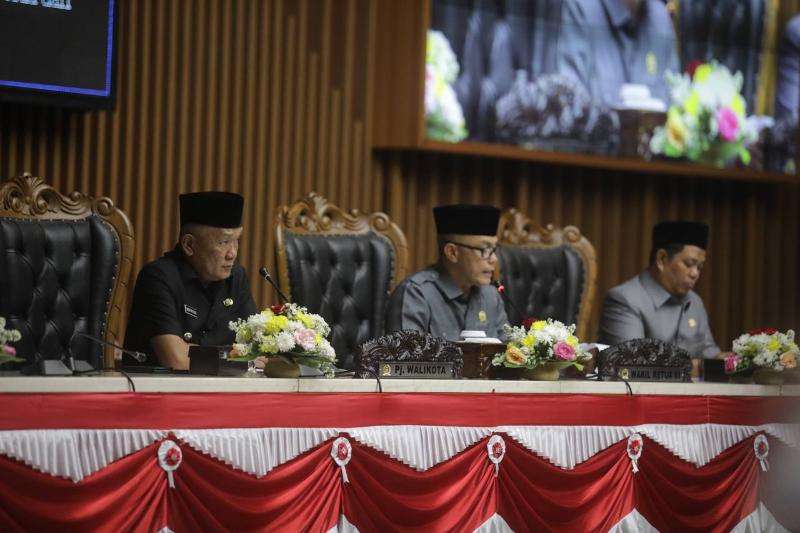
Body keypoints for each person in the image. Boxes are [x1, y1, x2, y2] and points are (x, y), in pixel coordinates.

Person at [124, 191, 257, 370]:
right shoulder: (157, 277)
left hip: (223, 390)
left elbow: (258, 349)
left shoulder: (236, 277)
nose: (232, 253)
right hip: (163, 392)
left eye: (236, 241)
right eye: (224, 242)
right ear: (189, 245)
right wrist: (237, 358)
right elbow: (176, 360)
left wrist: (199, 355)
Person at [598, 221, 720, 361]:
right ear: (662, 259)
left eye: (699, 267)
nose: (695, 274)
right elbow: (634, 364)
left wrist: (737, 360)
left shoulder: (694, 301)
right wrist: (701, 368)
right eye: (689, 264)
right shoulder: (623, 299)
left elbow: (709, 353)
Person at [386, 204, 509, 341]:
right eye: (485, 250)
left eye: (494, 249)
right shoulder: (416, 294)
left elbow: (510, 354)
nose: (494, 259)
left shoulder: (490, 296)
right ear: (452, 252)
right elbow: (406, 359)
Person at [557, 0, 680, 109]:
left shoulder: (660, 18)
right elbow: (570, 107)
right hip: (597, 134)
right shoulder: (582, 7)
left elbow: (675, 102)